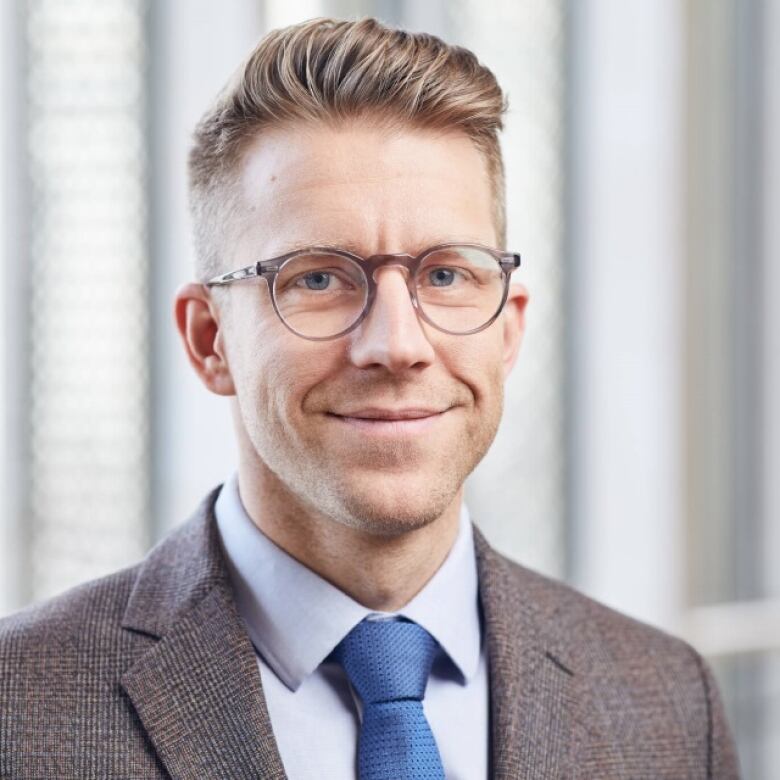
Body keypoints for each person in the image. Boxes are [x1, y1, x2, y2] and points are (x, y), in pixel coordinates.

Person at [0, 16, 738, 780]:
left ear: (508, 330)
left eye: (446, 275)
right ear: (208, 339)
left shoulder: (669, 705)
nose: (397, 344)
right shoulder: (18, 711)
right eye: (317, 277)